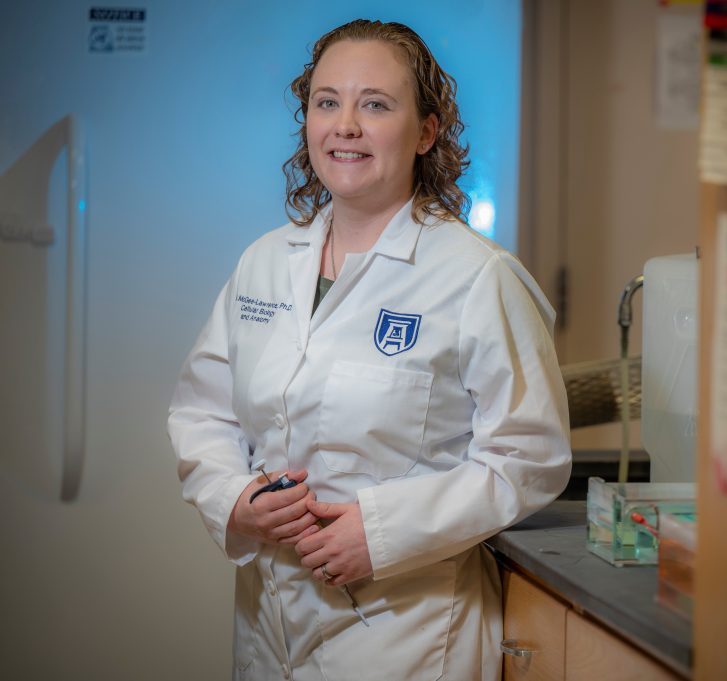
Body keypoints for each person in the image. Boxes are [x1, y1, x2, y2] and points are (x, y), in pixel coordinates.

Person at [167, 18, 571, 681]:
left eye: (375, 104)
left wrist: (380, 534)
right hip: (268, 626)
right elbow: (201, 414)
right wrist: (235, 498)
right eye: (327, 102)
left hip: (405, 633)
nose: (345, 125)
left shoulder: (475, 277)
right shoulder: (265, 263)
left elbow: (529, 456)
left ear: (426, 131)